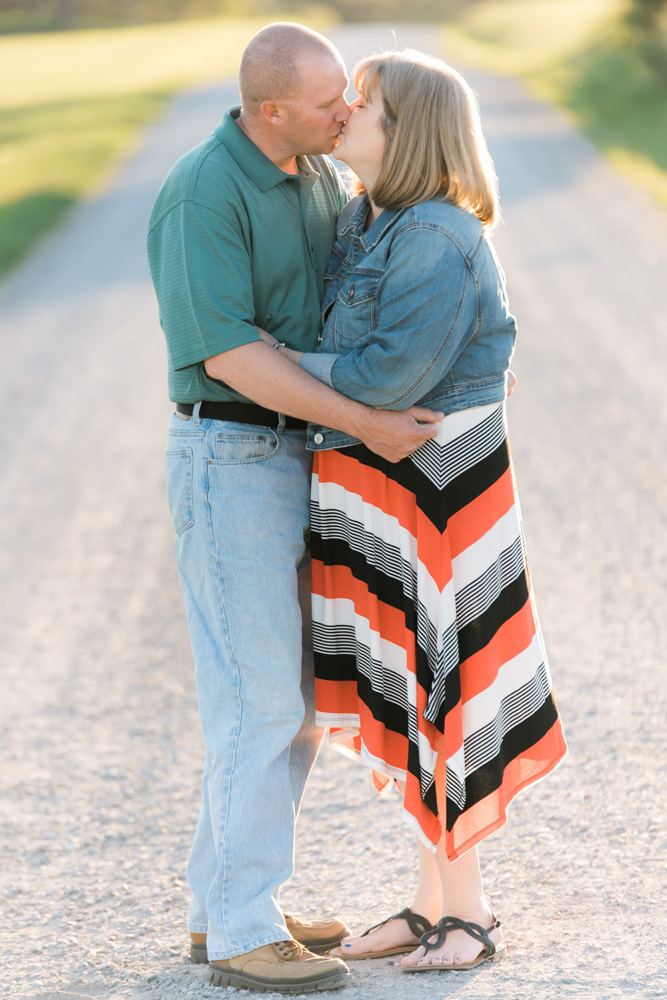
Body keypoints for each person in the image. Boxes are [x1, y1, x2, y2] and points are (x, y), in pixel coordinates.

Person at [146, 23, 443, 995]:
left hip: (299, 458)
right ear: (269, 109)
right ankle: (241, 927)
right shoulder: (204, 192)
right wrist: (363, 413)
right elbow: (231, 355)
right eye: (328, 103)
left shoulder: (317, 173)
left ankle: (219, 908)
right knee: (258, 701)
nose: (346, 113)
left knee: (298, 708)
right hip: (229, 455)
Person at [258, 48, 568, 974]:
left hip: (439, 494)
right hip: (391, 487)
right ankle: (433, 901)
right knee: (413, 679)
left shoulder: (434, 233)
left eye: (368, 101)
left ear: (410, 132)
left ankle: (465, 916)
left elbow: (386, 376)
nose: (346, 109)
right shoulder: (370, 217)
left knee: (449, 685)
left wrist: (269, 366)